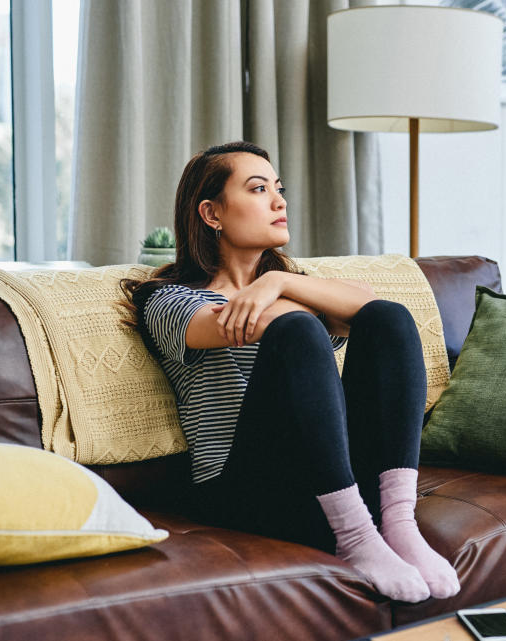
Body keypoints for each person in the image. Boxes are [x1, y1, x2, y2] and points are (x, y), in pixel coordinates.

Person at [120, 141, 459, 602]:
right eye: (258, 189)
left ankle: (398, 525)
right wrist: (299, 298)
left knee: (389, 319)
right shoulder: (173, 302)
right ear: (211, 213)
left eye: (278, 188)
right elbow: (259, 323)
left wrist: (276, 279)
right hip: (244, 492)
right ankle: (356, 537)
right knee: (297, 330)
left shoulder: (285, 287)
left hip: (329, 482)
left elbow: (379, 311)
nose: (279, 201)